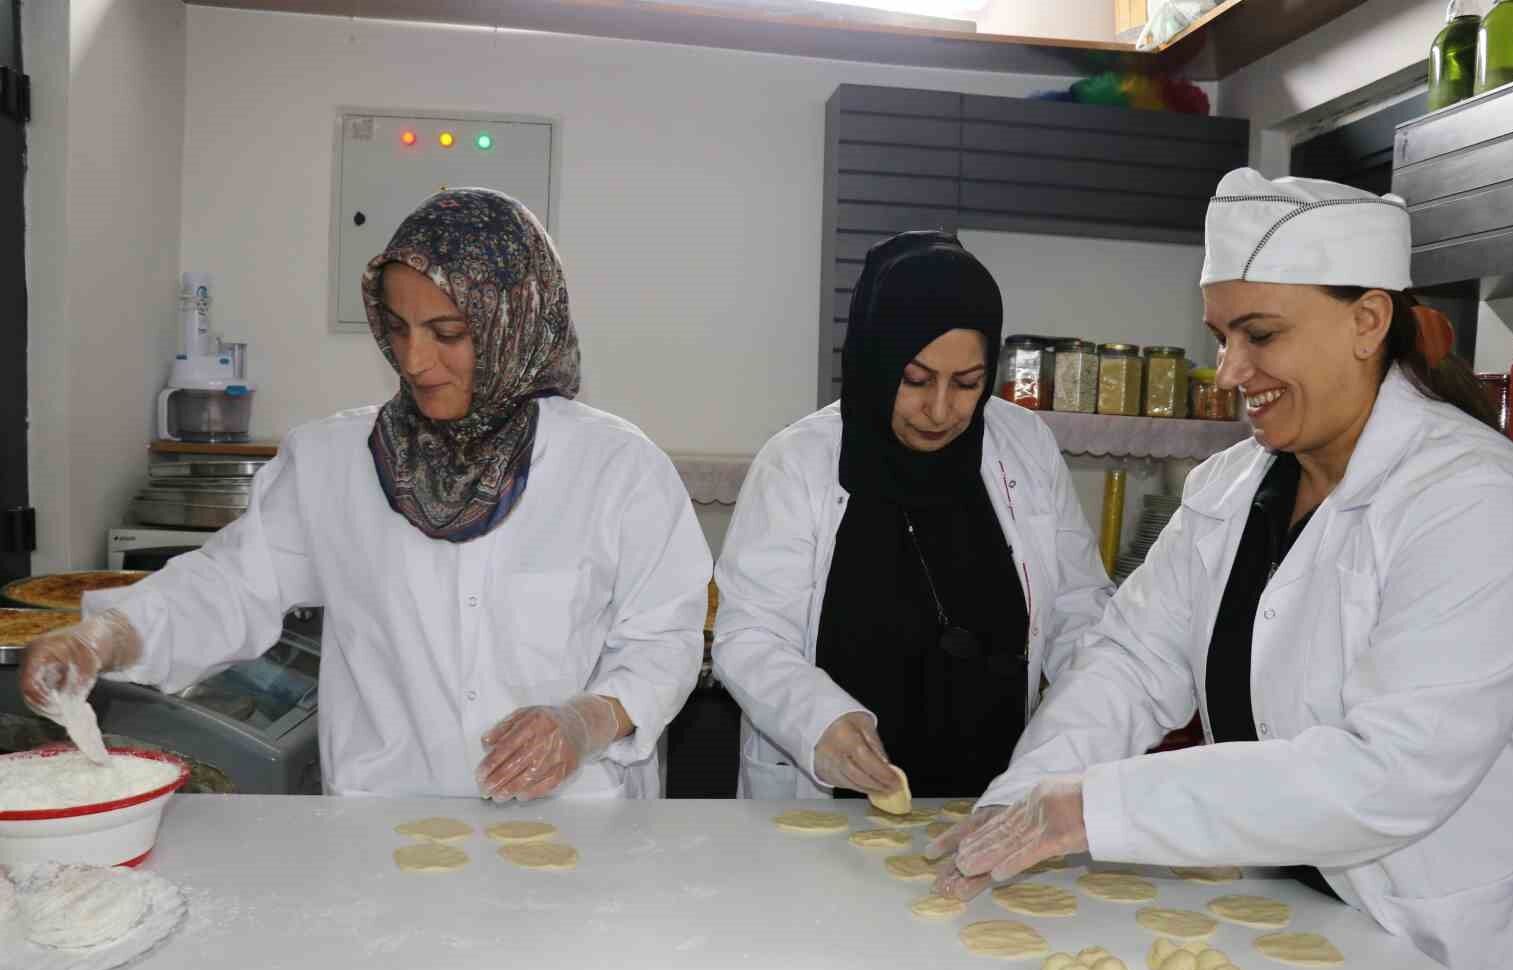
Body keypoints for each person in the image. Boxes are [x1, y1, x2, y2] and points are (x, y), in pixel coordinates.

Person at [931, 169, 1513, 970]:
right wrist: (1024, 799)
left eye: (1261, 334)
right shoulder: (1232, 489)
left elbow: (1388, 773)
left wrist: (1089, 808)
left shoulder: (1473, 502)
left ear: (1368, 321)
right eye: (1221, 336)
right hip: (1321, 928)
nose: (1230, 370)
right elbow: (1132, 661)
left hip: (1478, 957)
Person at [19, 188, 711, 800]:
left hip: (574, 824)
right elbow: (229, 586)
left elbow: (665, 640)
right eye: (398, 328)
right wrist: (106, 635)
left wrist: (588, 719)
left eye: (449, 333)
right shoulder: (332, 463)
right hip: (383, 826)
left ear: (517, 325)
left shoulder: (616, 467)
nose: (413, 361)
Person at [713, 231, 1112, 801]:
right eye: (917, 379)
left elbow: (1079, 609)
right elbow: (749, 635)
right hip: (837, 799)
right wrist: (818, 721)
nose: (941, 410)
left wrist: (1078, 728)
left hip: (992, 796)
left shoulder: (1024, 445)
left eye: (968, 383)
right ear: (877, 360)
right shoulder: (797, 463)